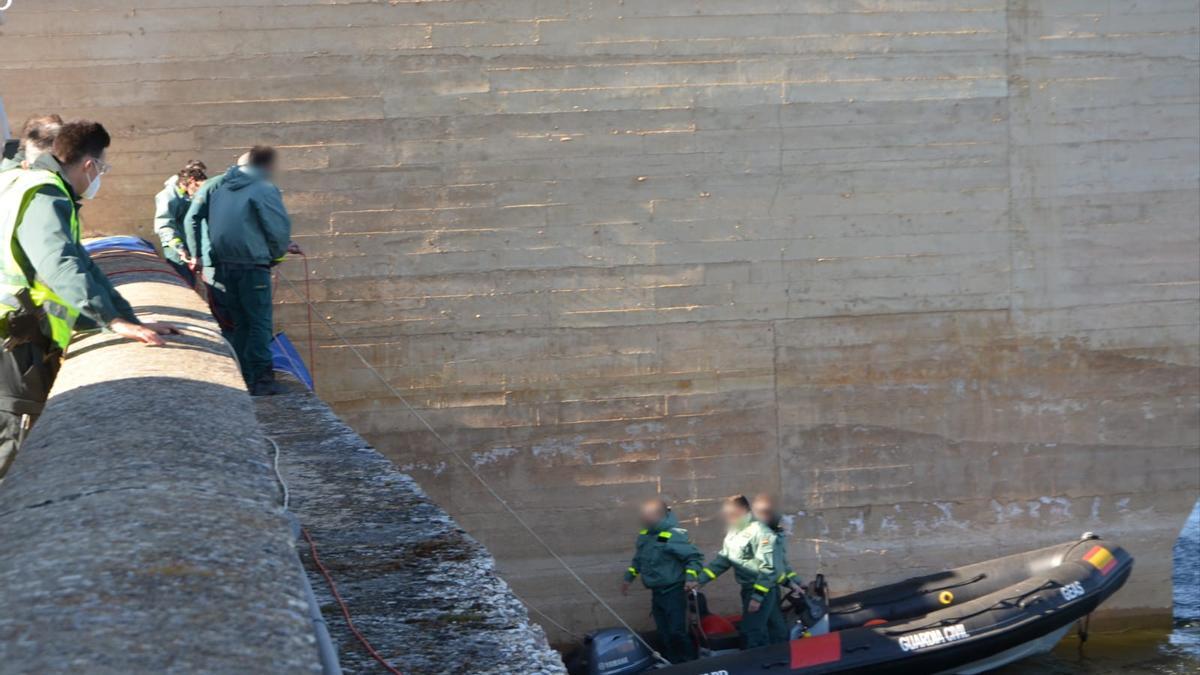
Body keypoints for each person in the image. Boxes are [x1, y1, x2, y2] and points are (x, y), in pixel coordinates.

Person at [0, 120, 177, 480]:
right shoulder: (45, 193)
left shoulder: (16, 181)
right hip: (14, 343)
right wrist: (112, 322)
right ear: (89, 165)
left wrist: (126, 317)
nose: (100, 177)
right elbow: (59, 264)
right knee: (15, 446)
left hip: (17, 332)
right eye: (103, 168)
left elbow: (83, 263)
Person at [207, 145, 300, 396]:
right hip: (252, 266)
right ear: (267, 165)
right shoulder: (263, 188)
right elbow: (277, 228)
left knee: (240, 323)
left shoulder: (221, 189)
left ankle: (243, 376)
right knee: (259, 323)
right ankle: (261, 379)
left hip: (226, 265)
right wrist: (277, 255)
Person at [620, 498, 704, 663]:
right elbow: (638, 560)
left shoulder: (673, 534)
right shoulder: (645, 536)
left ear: (659, 515)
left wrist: (691, 578)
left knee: (677, 632)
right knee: (664, 632)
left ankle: (689, 664)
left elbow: (694, 558)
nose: (643, 518)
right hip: (657, 593)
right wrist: (628, 578)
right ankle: (671, 663)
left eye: (647, 514)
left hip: (673, 592)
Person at [691, 495, 778, 649]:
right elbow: (723, 560)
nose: (728, 518)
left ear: (743, 510)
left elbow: (768, 568)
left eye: (731, 514)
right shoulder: (733, 533)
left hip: (761, 590)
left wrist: (757, 597)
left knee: (751, 632)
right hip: (747, 591)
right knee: (759, 629)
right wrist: (700, 580)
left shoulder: (761, 532)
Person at [182, 151, 248, 330]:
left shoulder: (210, 188)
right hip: (242, 259)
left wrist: (195, 256)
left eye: (186, 190)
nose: (188, 196)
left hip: (216, 260)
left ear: (192, 183)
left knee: (222, 311)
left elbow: (191, 219)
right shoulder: (245, 186)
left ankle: (232, 347)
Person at [751, 493, 799, 644]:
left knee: (779, 630)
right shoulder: (761, 535)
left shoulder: (776, 535)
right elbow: (768, 569)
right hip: (760, 589)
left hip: (771, 589)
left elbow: (782, 565)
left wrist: (797, 582)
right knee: (758, 631)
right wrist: (758, 596)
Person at [153, 159, 207, 286]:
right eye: (199, 186)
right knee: (184, 281)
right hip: (176, 249)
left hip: (188, 246)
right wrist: (179, 248)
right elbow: (164, 225)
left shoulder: (186, 195)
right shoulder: (168, 196)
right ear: (192, 180)